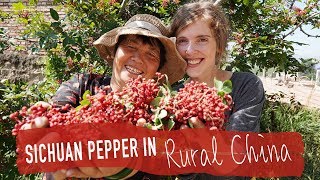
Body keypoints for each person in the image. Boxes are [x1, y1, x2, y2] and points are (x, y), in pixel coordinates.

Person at [23, 14, 186, 180]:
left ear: (158, 68)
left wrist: (124, 169)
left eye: (151, 55)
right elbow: (57, 117)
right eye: (130, 46)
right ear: (115, 52)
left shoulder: (162, 111)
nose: (137, 58)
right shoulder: (83, 85)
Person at [169, 1, 265, 179]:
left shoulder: (246, 86)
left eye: (202, 39)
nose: (190, 50)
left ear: (219, 45)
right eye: (182, 41)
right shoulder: (173, 98)